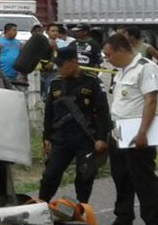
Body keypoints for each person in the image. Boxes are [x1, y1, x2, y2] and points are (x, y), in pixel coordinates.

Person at [100, 33, 158, 225]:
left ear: (121, 50)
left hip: (137, 133)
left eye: (109, 55)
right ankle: (123, 221)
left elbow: (151, 101)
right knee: (122, 178)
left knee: (143, 180)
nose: (107, 59)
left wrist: (143, 132)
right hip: (119, 131)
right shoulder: (121, 71)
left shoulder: (145, 68)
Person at [39, 45, 110, 205]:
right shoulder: (56, 83)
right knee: (50, 175)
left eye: (61, 65)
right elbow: (49, 112)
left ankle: (82, 208)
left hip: (85, 138)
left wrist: (101, 138)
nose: (59, 69)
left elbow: (102, 112)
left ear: (73, 62)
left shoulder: (92, 82)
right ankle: (41, 205)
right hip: (61, 137)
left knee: (84, 175)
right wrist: (46, 137)